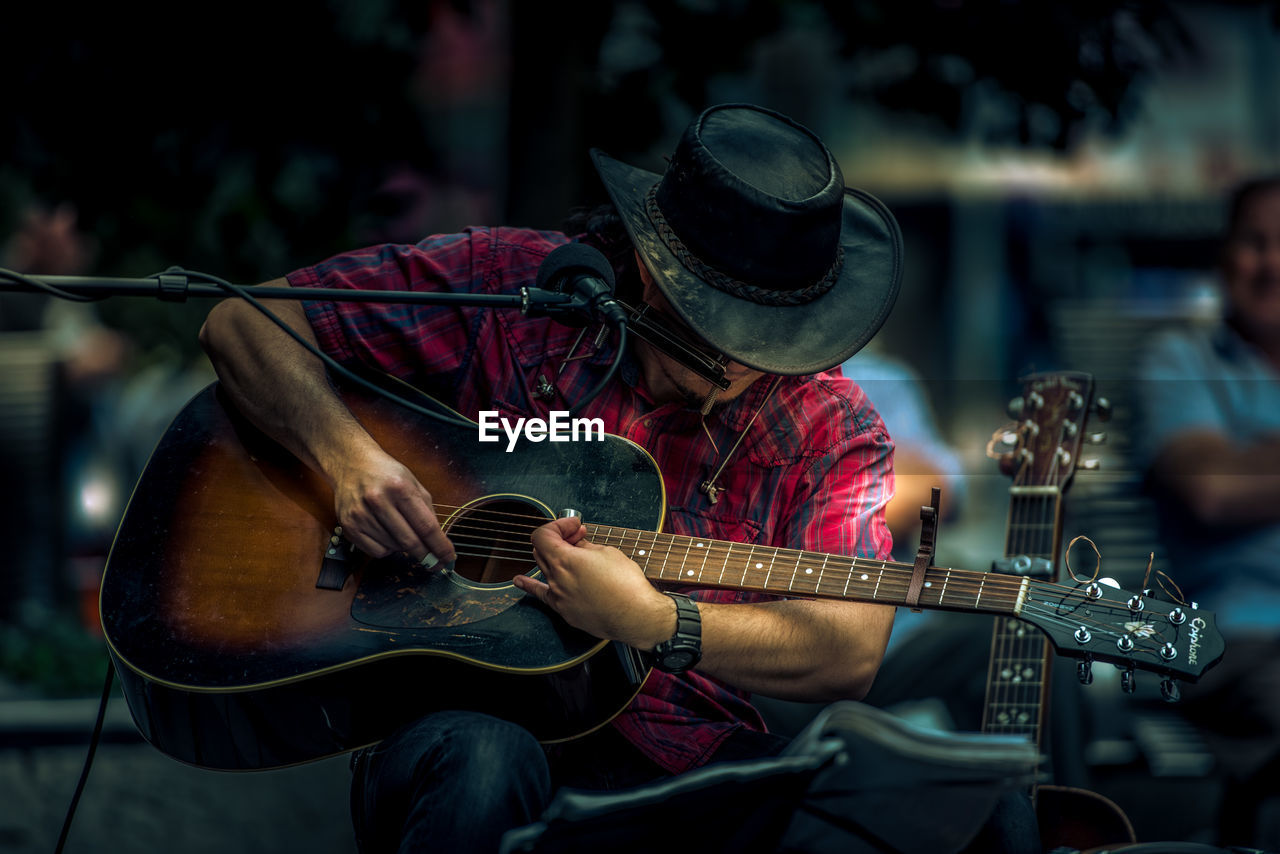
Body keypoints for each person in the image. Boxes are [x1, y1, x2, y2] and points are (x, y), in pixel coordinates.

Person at [199, 104, 904, 853]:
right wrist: (350, 461)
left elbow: (849, 647)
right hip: (462, 719)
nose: (739, 363)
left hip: (686, 747)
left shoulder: (830, 425)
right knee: (484, 763)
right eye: (719, 326)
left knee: (933, 814)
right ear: (648, 268)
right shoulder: (515, 288)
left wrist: (658, 623)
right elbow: (245, 324)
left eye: (770, 338)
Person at [1135, 175, 1280, 849]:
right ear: (1224, 259)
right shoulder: (1180, 359)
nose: (1272, 263)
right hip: (1232, 638)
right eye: (1256, 243)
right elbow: (1213, 490)